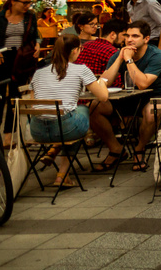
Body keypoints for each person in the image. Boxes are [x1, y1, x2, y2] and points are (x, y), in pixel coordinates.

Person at [92, 22, 161, 172]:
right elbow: (104, 82)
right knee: (95, 107)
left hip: (157, 95)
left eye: (135, 36)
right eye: (127, 36)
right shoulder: (119, 54)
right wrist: (120, 59)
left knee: (151, 113)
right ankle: (116, 149)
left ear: (146, 39)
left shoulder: (156, 55)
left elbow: (143, 84)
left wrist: (129, 60)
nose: (129, 40)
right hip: (131, 96)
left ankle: (139, 149)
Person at [29, 35, 108, 189]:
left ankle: (56, 156)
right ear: (74, 50)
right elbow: (103, 97)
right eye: (80, 48)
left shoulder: (39, 72)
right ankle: (62, 174)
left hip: (37, 131)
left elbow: (35, 104)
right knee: (82, 111)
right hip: (66, 128)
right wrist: (102, 82)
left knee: (69, 118)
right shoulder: (81, 69)